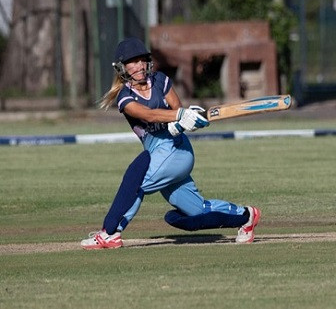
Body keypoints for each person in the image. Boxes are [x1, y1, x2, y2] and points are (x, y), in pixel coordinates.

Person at [81, 37, 261, 249]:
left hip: (176, 149)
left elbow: (177, 109)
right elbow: (148, 115)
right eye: (132, 61)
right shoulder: (125, 97)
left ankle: (111, 233)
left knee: (135, 183)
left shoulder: (160, 81)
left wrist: (185, 122)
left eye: (141, 60)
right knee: (197, 210)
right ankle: (246, 217)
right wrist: (178, 116)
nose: (138, 66)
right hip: (157, 153)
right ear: (122, 67)